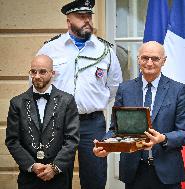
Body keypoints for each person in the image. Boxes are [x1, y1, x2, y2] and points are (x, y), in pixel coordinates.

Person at [37, 0, 123, 188]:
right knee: (56, 177)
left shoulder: (105, 50)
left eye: (89, 16)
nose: (87, 21)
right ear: (68, 21)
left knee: (95, 176)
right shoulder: (50, 49)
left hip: (92, 123)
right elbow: (37, 85)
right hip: (57, 122)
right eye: (81, 17)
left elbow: (114, 86)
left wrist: (91, 103)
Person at [93, 41, 185, 189]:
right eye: (145, 58)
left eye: (155, 58)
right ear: (138, 59)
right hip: (134, 171)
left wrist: (163, 138)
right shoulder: (125, 89)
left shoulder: (178, 90)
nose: (149, 63)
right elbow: (116, 129)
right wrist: (106, 145)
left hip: (167, 172)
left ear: (164, 61)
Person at [5, 55, 80, 189]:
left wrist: (55, 167)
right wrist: (32, 166)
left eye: (43, 71)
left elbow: (72, 139)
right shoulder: (17, 103)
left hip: (59, 176)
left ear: (53, 73)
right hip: (29, 176)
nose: (37, 76)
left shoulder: (67, 101)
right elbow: (12, 140)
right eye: (33, 71)